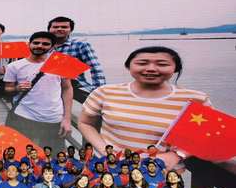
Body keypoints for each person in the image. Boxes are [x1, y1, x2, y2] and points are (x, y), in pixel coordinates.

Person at [78, 46, 210, 169]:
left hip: (164, 173)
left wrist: (176, 155)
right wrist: (106, 151)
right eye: (142, 63)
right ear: (128, 66)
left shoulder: (194, 99)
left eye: (162, 64)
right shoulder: (105, 92)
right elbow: (85, 123)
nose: (151, 68)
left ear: (175, 68)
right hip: (110, 168)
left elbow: (207, 135)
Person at [4, 31, 73, 150]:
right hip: (23, 116)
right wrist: (17, 88)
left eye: (45, 44)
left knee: (53, 155)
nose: (40, 46)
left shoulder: (60, 64)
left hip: (53, 117)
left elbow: (67, 89)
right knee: (19, 152)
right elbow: (7, 88)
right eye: (36, 43)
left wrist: (67, 119)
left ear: (52, 47)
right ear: (29, 44)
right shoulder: (14, 66)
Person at [47, 16, 106, 92]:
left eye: (64, 27)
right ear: (49, 29)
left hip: (75, 88)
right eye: (55, 27)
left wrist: (99, 91)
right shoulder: (42, 47)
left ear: (71, 30)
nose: (59, 29)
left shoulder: (80, 45)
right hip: (49, 90)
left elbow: (95, 68)